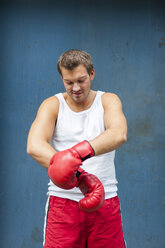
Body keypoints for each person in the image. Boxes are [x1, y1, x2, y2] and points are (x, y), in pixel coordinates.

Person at [27, 49, 127, 248]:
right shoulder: (52, 105)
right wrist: (81, 178)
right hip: (63, 203)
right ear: (62, 79)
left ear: (92, 74)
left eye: (81, 80)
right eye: (69, 82)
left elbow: (118, 133)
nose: (76, 88)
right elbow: (34, 146)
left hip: (105, 199)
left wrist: (76, 154)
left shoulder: (107, 100)